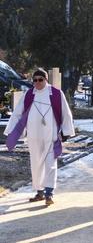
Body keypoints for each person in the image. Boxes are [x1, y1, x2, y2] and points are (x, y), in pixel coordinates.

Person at [4, 68, 75, 206]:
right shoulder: (29, 94)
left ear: (46, 80)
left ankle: (49, 193)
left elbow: (66, 113)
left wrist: (65, 132)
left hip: (51, 136)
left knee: (50, 165)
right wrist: (12, 131)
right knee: (36, 164)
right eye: (34, 80)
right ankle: (39, 192)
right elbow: (18, 113)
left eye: (40, 79)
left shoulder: (55, 93)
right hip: (34, 136)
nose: (37, 82)